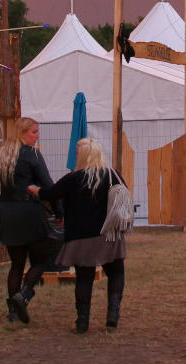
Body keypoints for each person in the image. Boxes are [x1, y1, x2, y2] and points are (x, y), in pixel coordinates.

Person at [40, 137, 128, 332]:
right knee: (116, 272)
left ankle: (82, 322)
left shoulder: (73, 178)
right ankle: (113, 313)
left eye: (77, 152)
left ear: (84, 155)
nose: (75, 155)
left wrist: (34, 189)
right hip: (109, 235)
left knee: (84, 277)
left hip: (81, 237)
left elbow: (50, 193)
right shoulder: (112, 174)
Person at [0, 117, 59, 324]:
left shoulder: (4, 154)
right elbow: (48, 185)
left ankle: (12, 312)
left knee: (16, 264)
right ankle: (23, 296)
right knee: (40, 261)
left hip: (6, 212)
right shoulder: (32, 154)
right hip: (28, 211)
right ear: (23, 133)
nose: (37, 136)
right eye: (34, 132)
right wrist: (60, 212)